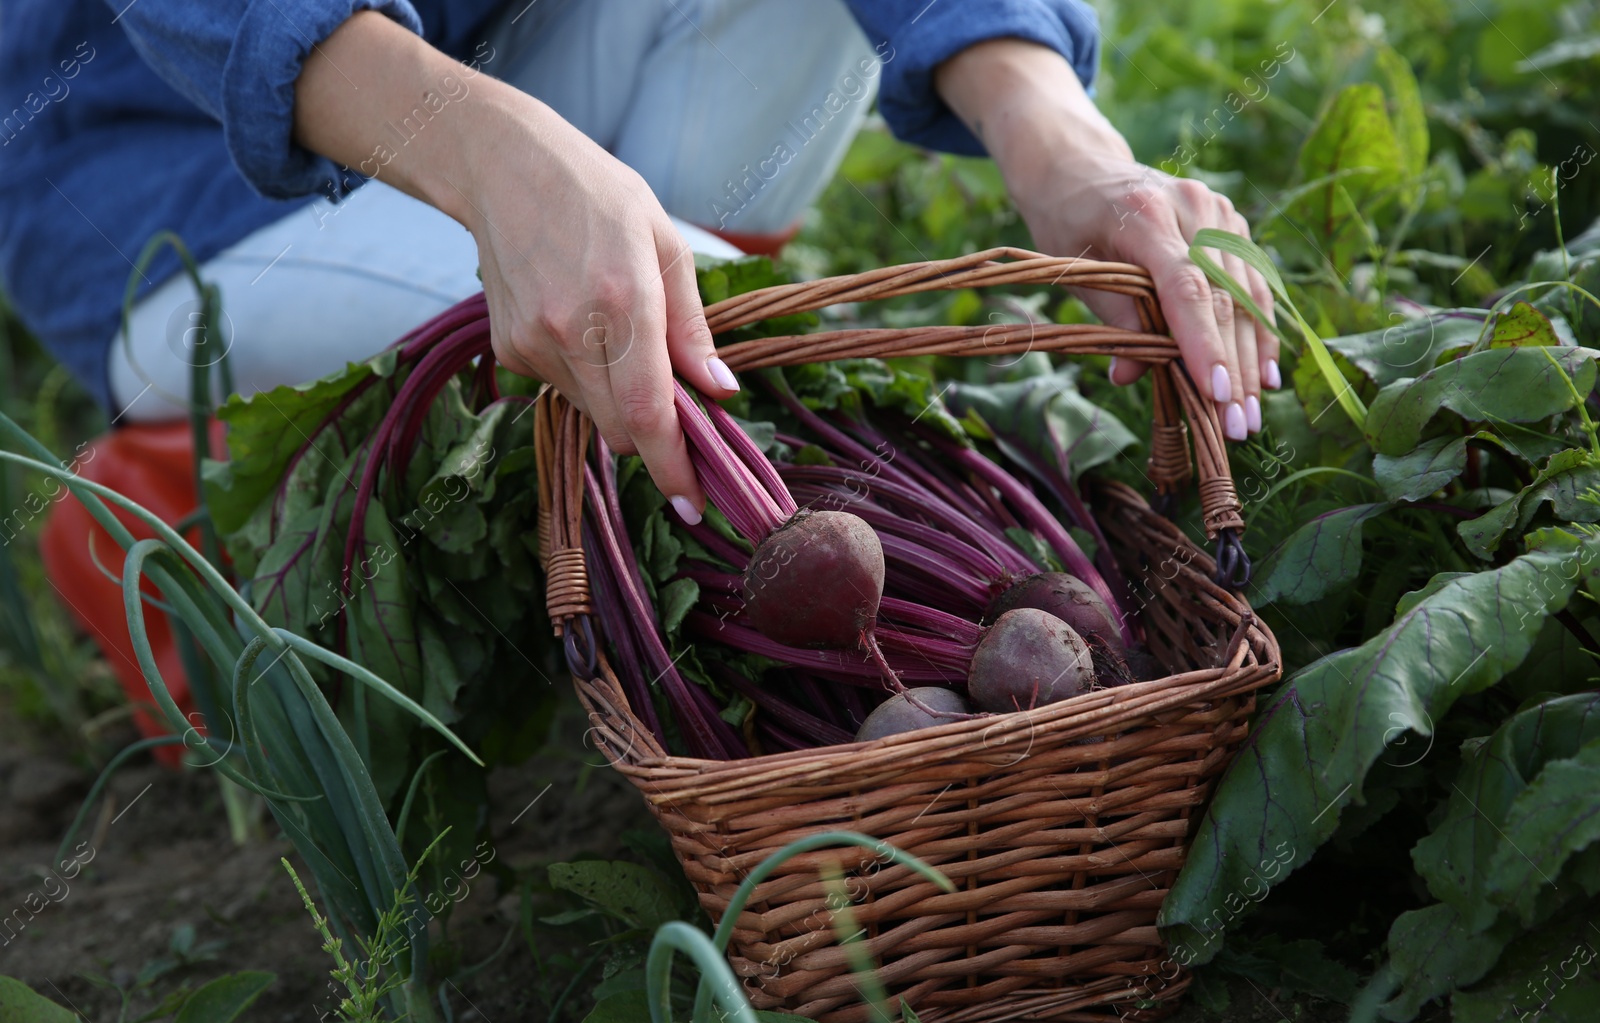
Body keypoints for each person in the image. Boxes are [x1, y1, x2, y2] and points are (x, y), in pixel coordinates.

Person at [1, 0, 1279, 527]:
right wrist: (500, 166)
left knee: (682, 295)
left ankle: (632, 458)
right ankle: (197, 501)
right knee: (720, 336)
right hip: (169, 167)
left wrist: (1058, 140)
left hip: (489, 47)